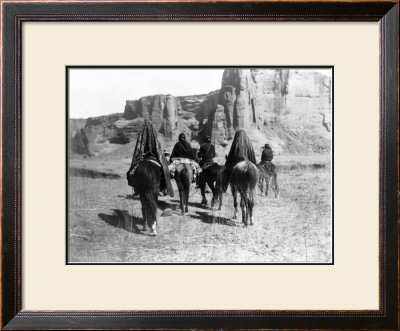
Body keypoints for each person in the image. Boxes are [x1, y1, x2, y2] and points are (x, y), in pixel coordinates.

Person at [126, 120, 174, 197]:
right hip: (154, 158)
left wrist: (137, 159)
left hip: (142, 158)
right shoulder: (155, 138)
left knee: (131, 172)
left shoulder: (141, 138)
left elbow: (137, 151)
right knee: (165, 171)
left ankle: (136, 188)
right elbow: (158, 151)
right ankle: (163, 188)